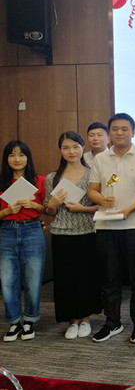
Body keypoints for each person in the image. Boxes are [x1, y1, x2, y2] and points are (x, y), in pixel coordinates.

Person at [88, 113, 135, 343]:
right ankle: (112, 323)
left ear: (133, 132)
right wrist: (101, 199)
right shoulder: (101, 158)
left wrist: (128, 210)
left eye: (124, 129)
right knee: (109, 279)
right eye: (115, 129)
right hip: (105, 226)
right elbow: (93, 190)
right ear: (109, 133)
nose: (119, 133)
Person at [45, 131, 102, 340]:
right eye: (66, 147)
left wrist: (82, 209)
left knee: (86, 277)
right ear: (60, 150)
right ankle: (72, 321)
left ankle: (85, 319)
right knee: (65, 278)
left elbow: (101, 206)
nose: (71, 151)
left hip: (87, 232)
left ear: (82, 148)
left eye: (75, 146)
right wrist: (52, 204)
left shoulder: (92, 175)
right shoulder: (52, 178)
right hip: (61, 233)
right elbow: (49, 211)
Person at [0, 140, 46, 342]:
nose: (17, 159)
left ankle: (29, 320)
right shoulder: (2, 182)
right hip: (6, 231)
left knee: (32, 279)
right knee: (7, 280)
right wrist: (6, 211)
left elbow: (49, 209)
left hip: (33, 230)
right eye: (12, 155)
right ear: (6, 159)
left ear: (28, 157)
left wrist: (35, 205)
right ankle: (13, 322)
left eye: (21, 154)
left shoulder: (39, 181)